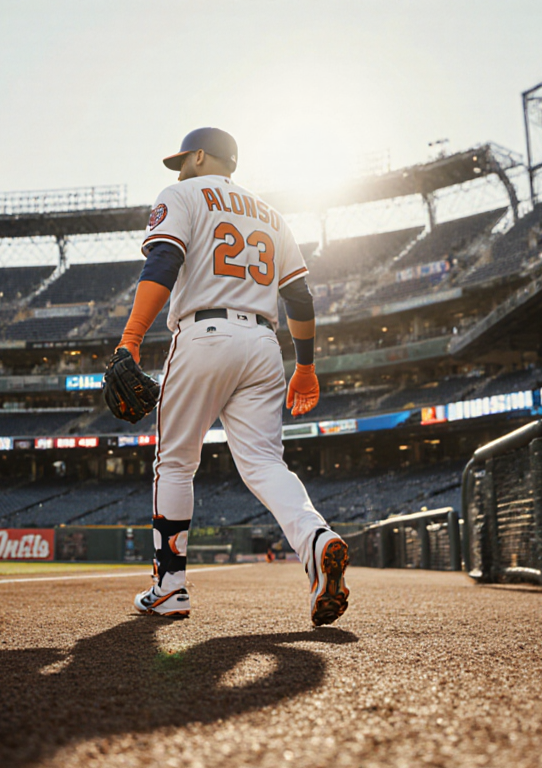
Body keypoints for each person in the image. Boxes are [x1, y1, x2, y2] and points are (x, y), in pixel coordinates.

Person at [118, 127, 350, 626]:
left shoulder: (181, 192)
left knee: (176, 463)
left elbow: (164, 260)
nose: (179, 167)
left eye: (184, 158)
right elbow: (301, 298)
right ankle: (316, 538)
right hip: (264, 345)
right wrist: (305, 367)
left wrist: (131, 339)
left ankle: (170, 587)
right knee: (265, 464)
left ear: (201, 155)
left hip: (204, 333)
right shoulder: (272, 214)